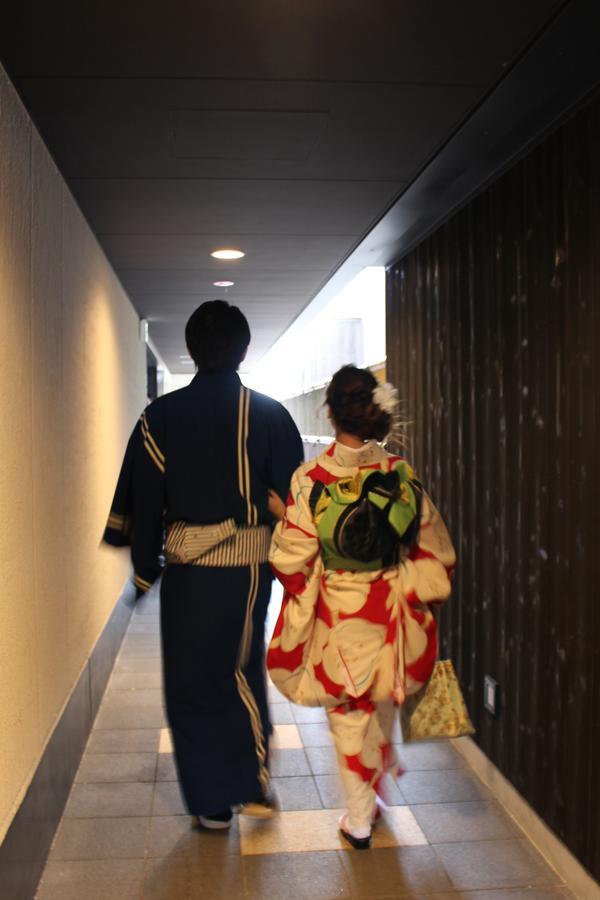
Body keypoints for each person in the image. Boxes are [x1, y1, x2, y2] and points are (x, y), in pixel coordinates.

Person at [104, 300, 303, 829]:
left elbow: (143, 500)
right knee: (238, 667)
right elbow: (296, 502)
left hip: (188, 572)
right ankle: (250, 778)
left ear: (192, 350)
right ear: (243, 350)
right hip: (246, 573)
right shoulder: (268, 414)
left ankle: (214, 801)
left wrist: (146, 567)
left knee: (191, 680)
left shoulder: (160, 418)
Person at [267, 365, 456, 849]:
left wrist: (316, 576)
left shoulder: (311, 478)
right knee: (381, 702)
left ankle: (359, 821)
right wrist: (397, 579)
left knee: (349, 715)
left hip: (339, 614)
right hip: (391, 611)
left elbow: (290, 560)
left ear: (330, 413)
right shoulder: (400, 473)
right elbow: (435, 551)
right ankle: (370, 799)